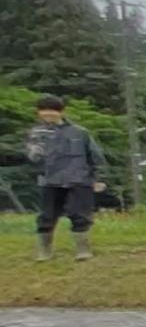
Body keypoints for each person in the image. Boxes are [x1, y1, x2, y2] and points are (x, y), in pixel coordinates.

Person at [25, 98, 105, 261]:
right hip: (49, 180)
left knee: (80, 215)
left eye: (52, 109)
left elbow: (95, 156)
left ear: (61, 111)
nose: (48, 113)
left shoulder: (79, 132)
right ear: (39, 112)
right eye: (43, 110)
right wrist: (36, 149)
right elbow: (33, 158)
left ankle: (83, 250)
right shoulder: (35, 133)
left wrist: (99, 178)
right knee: (46, 216)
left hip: (79, 179)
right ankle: (45, 251)